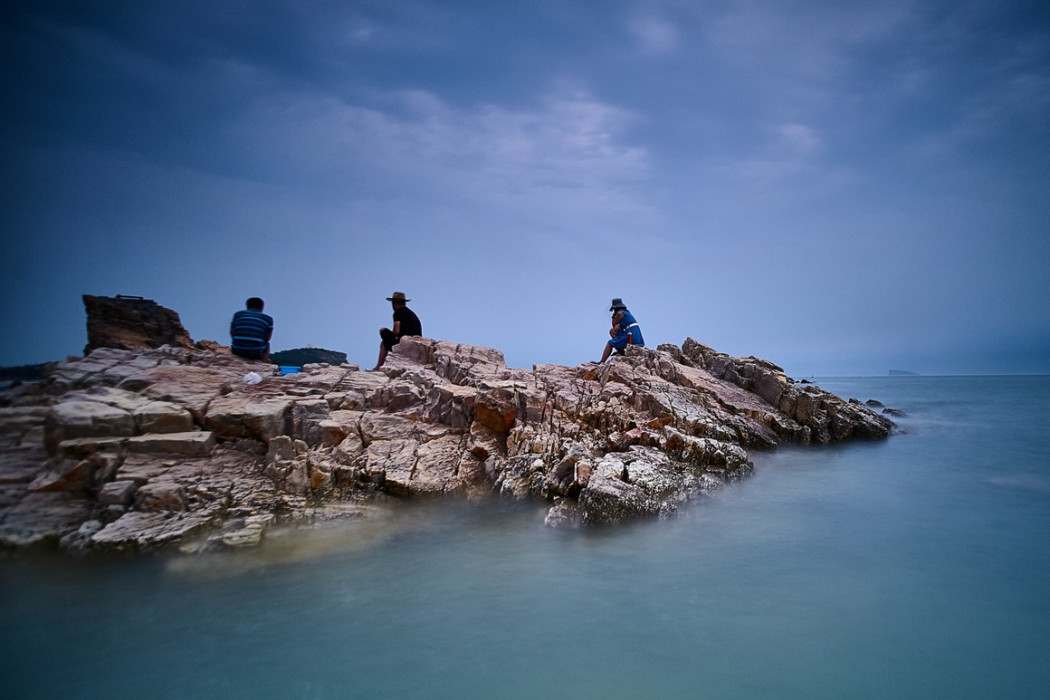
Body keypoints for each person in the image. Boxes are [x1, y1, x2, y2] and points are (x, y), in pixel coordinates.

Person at [373, 291, 422, 370]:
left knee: (382, 331)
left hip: (404, 342)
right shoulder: (410, 313)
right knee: (384, 343)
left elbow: (396, 331)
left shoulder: (398, 313)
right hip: (416, 342)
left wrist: (391, 336)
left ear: (395, 303)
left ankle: (379, 366)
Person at [598, 297, 645, 363]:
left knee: (610, 343)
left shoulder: (619, 313)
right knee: (611, 331)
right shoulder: (626, 312)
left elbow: (614, 324)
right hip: (633, 332)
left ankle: (602, 361)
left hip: (631, 333)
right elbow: (614, 329)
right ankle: (620, 350)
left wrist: (613, 317)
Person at [230, 297, 274, 362]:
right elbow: (268, 338)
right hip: (256, 352)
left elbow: (232, 332)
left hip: (237, 350)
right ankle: (262, 364)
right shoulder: (268, 319)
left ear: (247, 306)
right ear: (262, 307)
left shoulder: (238, 315)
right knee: (267, 344)